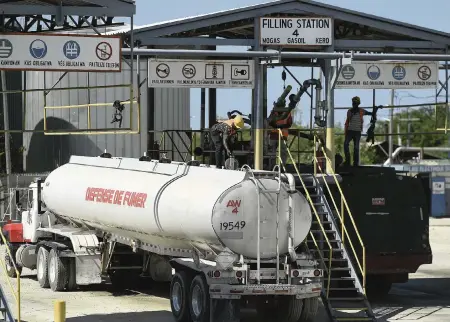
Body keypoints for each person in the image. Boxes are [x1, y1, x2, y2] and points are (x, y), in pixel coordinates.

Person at [344, 96, 373, 166]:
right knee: (345, 144)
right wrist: (346, 131)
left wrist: (375, 110)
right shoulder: (350, 111)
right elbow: (347, 121)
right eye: (353, 103)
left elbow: (370, 113)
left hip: (357, 132)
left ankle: (355, 163)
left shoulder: (361, 111)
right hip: (350, 131)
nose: (353, 104)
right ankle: (348, 161)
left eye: (355, 103)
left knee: (356, 147)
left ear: (358, 104)